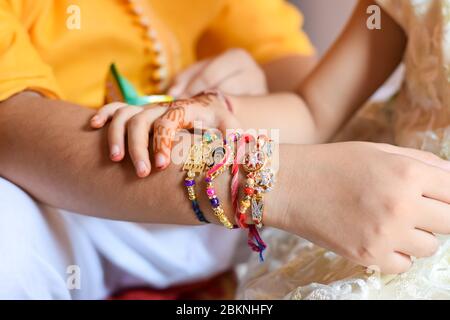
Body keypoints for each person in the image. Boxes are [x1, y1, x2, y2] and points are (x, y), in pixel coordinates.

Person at [1, 0, 450, 300]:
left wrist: (250, 92)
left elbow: (300, 89)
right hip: (79, 194)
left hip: (391, 216)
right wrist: (275, 177)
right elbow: (316, 107)